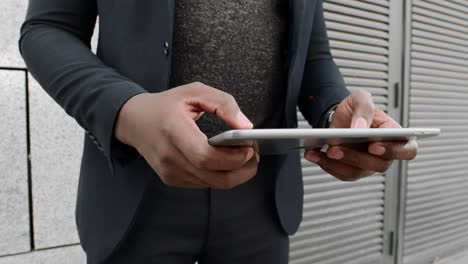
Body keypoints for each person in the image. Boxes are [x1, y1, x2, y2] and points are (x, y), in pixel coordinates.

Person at [19, 0, 417, 263]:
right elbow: (47, 28)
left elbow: (313, 55)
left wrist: (334, 114)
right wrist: (125, 109)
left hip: (262, 201)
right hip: (135, 198)